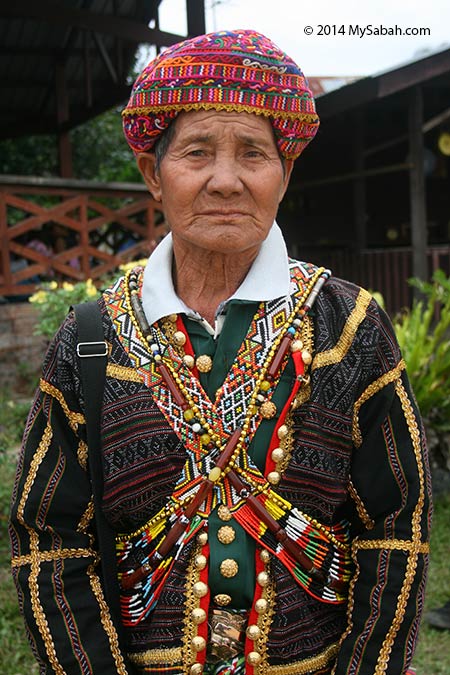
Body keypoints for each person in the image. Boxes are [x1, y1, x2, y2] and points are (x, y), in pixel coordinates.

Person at [10, 29, 432, 675]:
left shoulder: (349, 325)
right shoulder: (92, 336)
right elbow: (49, 537)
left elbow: (397, 524)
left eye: (254, 154)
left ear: (284, 174)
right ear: (154, 174)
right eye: (197, 152)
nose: (226, 180)